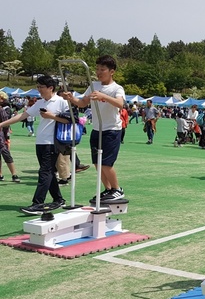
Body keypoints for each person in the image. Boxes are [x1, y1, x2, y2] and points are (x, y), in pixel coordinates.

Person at [0, 75, 69, 215]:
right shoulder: (40, 102)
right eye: (38, 87)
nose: (39, 90)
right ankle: (58, 199)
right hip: (41, 142)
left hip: (52, 142)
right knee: (48, 172)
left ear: (51, 88)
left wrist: (52, 116)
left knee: (44, 172)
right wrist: (1, 124)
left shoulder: (61, 102)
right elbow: (22, 116)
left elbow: (70, 120)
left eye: (41, 87)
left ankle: (38, 203)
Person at [62, 55, 126, 202]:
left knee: (106, 163)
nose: (98, 72)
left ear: (112, 71)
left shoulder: (117, 88)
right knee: (97, 163)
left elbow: (120, 104)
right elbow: (82, 103)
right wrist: (71, 98)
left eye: (102, 69)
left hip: (111, 130)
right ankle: (108, 189)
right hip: (97, 129)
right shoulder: (93, 86)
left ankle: (117, 189)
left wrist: (104, 96)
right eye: (97, 69)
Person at [0, 91, 21, 182]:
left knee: (6, 154)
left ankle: (14, 174)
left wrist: (6, 137)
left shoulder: (3, 109)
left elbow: (5, 124)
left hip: (1, 136)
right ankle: (0, 174)